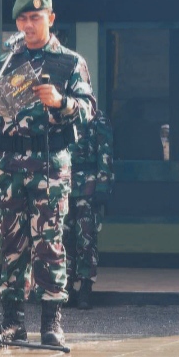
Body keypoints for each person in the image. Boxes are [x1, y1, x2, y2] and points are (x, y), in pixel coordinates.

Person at [0, 0, 96, 347]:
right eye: (22, 20)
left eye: (35, 18)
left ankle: (51, 322)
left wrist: (61, 101)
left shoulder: (69, 62)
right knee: (12, 243)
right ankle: (12, 322)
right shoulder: (6, 62)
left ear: (50, 19)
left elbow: (89, 111)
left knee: (49, 243)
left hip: (49, 165)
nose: (28, 25)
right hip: (8, 165)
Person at [64, 108, 114, 310]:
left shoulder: (97, 116)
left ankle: (85, 286)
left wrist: (103, 186)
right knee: (63, 238)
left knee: (86, 237)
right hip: (65, 184)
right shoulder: (61, 114)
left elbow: (105, 152)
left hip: (88, 185)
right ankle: (66, 285)